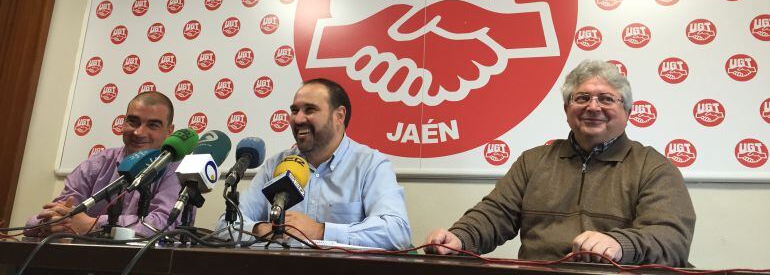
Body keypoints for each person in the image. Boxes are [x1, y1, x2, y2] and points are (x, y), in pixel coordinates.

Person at [424, 59, 696, 267]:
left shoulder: (654, 168)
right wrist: (459, 238)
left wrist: (619, 243)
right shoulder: (533, 161)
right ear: (567, 109)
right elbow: (496, 213)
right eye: (582, 98)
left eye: (606, 99)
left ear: (627, 111)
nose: (593, 106)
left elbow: (671, 238)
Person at [219, 78, 411, 250]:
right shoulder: (275, 165)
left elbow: (397, 232)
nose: (298, 119)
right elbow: (224, 225)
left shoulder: (370, 164)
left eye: (310, 110)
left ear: (339, 116)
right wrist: (263, 229)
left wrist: (320, 231)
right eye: (294, 110)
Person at [25, 91, 183, 237]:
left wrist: (93, 225)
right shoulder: (97, 164)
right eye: (133, 122)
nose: (139, 132)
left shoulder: (177, 170)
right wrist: (50, 223)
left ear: (170, 131)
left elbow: (163, 225)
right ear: (123, 123)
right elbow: (45, 218)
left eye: (153, 125)